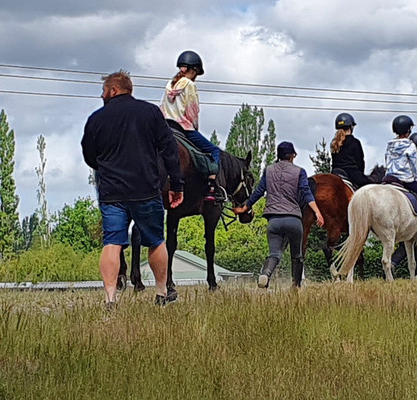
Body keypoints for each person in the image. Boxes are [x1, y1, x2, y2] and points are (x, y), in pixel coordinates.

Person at [81, 70, 185, 308]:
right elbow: (169, 149)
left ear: (114, 90)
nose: (102, 95)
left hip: (112, 193)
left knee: (112, 242)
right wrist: (176, 184)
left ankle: (110, 299)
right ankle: (161, 294)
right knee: (156, 241)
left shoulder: (96, 119)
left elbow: (89, 156)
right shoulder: (150, 113)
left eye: (104, 90)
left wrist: (107, 168)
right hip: (146, 189)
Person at [233, 141, 323, 289]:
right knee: (297, 255)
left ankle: (265, 274)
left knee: (274, 254)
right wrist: (317, 212)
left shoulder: (268, 170)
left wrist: (245, 207)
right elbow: (306, 193)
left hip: (274, 220)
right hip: (294, 219)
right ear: (292, 156)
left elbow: (259, 192)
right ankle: (295, 286)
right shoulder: (300, 172)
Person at [159, 50, 223, 202]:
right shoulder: (190, 85)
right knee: (214, 150)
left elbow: (162, 107)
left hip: (165, 127)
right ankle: (211, 186)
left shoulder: (169, 85)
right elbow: (192, 110)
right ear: (194, 70)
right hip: (183, 128)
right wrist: (195, 127)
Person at [330, 112, 371, 187]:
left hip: (335, 173)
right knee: (371, 186)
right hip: (352, 173)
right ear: (351, 127)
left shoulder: (334, 143)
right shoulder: (355, 142)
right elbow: (360, 162)